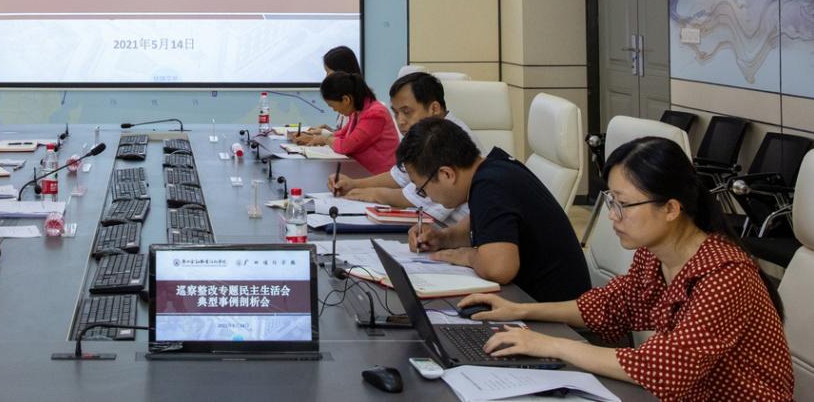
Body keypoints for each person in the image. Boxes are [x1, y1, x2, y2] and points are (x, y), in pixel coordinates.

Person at [462, 136, 793, 401]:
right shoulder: (653, 255)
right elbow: (608, 307)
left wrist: (549, 345)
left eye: (624, 204)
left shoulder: (726, 275)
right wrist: (521, 310)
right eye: (611, 201)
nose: (612, 215)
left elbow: (665, 367)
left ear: (671, 209)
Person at [396, 117, 589, 302]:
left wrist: (467, 255)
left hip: (555, 314)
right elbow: (484, 226)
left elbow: (499, 269)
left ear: (447, 174)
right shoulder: (494, 168)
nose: (427, 197)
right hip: (542, 301)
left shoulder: (489, 187)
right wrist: (443, 238)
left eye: (422, 189)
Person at [328, 72, 473, 223]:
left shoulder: (448, 139)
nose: (400, 121)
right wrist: (354, 184)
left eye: (407, 112)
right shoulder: (426, 134)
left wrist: (373, 194)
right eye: (396, 113)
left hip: (455, 228)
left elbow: (417, 197)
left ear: (434, 109)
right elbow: (399, 176)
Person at [293, 72, 399, 175]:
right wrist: (315, 138)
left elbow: (346, 146)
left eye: (332, 105)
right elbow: (341, 134)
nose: (334, 110)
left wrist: (324, 139)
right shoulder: (358, 110)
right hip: (360, 169)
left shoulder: (375, 114)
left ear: (346, 100)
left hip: (378, 176)